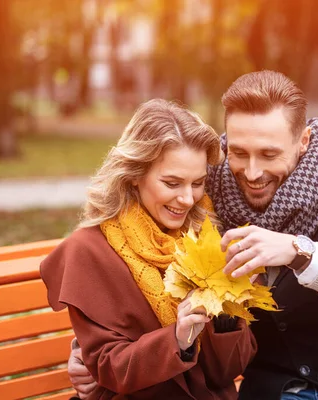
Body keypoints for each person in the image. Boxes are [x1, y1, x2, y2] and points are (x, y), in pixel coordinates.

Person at [68, 71, 318, 400]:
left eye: (269, 154)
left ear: (303, 141)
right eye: (239, 153)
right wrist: (83, 349)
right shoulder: (209, 199)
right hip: (275, 385)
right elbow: (143, 260)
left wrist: (300, 251)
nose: (252, 173)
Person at [40, 99, 257, 400]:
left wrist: (227, 316)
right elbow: (108, 370)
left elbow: (226, 371)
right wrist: (178, 339)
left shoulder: (206, 236)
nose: (187, 199)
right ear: (134, 174)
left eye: (197, 183)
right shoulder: (88, 251)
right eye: (171, 183)